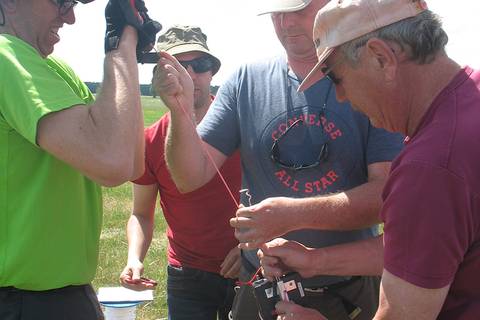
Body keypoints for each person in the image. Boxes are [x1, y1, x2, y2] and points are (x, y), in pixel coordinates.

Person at [153, 0, 404, 319]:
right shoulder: (245, 80)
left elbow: (387, 196)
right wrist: (180, 109)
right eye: (277, 13)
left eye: (299, 9)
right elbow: (189, 176)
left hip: (348, 289)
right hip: (261, 286)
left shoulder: (368, 78)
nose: (286, 24)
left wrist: (293, 215)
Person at [259, 0, 480, 319]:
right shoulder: (468, 101)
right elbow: (427, 246)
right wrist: (315, 261)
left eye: (336, 78)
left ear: (381, 57)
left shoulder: (430, 167)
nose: (340, 97)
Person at [0, 0, 160, 319]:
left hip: (58, 296)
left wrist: (123, 48)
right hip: (25, 302)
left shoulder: (53, 69)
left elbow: (131, 162)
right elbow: (112, 163)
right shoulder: (6, 58)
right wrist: (121, 45)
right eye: (61, 2)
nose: (70, 18)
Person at [119, 25, 242, 320]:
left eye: (199, 65)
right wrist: (134, 257)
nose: (189, 76)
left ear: (212, 72)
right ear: (158, 77)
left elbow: (274, 191)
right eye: (176, 67)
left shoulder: (241, 126)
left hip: (246, 266)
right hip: (187, 273)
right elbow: (141, 213)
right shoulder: (150, 141)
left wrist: (252, 246)